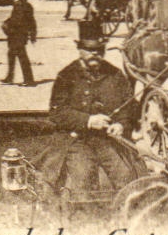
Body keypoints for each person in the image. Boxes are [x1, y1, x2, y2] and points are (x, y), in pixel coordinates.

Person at [25, 20, 146, 196]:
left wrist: (121, 124)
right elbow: (57, 112)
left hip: (107, 140)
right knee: (83, 179)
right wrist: (88, 121)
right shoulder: (67, 76)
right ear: (80, 49)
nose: (94, 54)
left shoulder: (116, 75)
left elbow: (129, 108)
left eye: (98, 50)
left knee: (127, 177)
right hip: (76, 140)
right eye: (89, 49)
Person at [0, 0, 37, 85]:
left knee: (21, 56)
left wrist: (6, 23)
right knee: (12, 54)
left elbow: (17, 21)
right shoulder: (28, 5)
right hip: (22, 34)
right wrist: (33, 34)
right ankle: (10, 77)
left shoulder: (18, 5)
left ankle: (28, 80)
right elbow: (32, 21)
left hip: (17, 34)